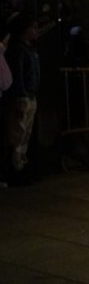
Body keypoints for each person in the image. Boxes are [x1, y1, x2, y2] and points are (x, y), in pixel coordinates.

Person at [3, 13, 38, 186]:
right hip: (23, 97)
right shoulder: (19, 50)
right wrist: (21, 96)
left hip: (29, 95)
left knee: (24, 134)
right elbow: (18, 75)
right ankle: (16, 169)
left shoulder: (28, 49)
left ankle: (21, 166)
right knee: (18, 134)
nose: (36, 31)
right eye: (33, 27)